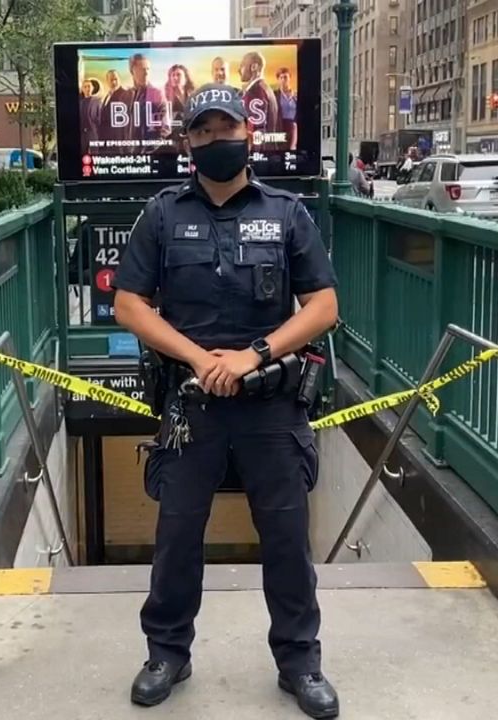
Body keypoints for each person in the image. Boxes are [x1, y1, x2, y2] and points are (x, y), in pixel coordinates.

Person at [112, 84, 341, 719]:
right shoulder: (160, 215)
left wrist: (255, 354)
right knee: (177, 534)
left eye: (228, 129)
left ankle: (300, 662)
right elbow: (129, 304)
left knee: (287, 537)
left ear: (251, 136)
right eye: (204, 131)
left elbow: (323, 306)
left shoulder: (288, 213)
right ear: (187, 141)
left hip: (271, 405)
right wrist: (196, 357)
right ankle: (167, 652)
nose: (218, 141)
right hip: (193, 404)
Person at [275, 68, 298, 150]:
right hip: (279, 125)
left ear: (290, 78)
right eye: (281, 78)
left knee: (292, 149)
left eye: (285, 77)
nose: (283, 80)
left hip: (293, 126)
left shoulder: (296, 96)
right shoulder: (275, 95)